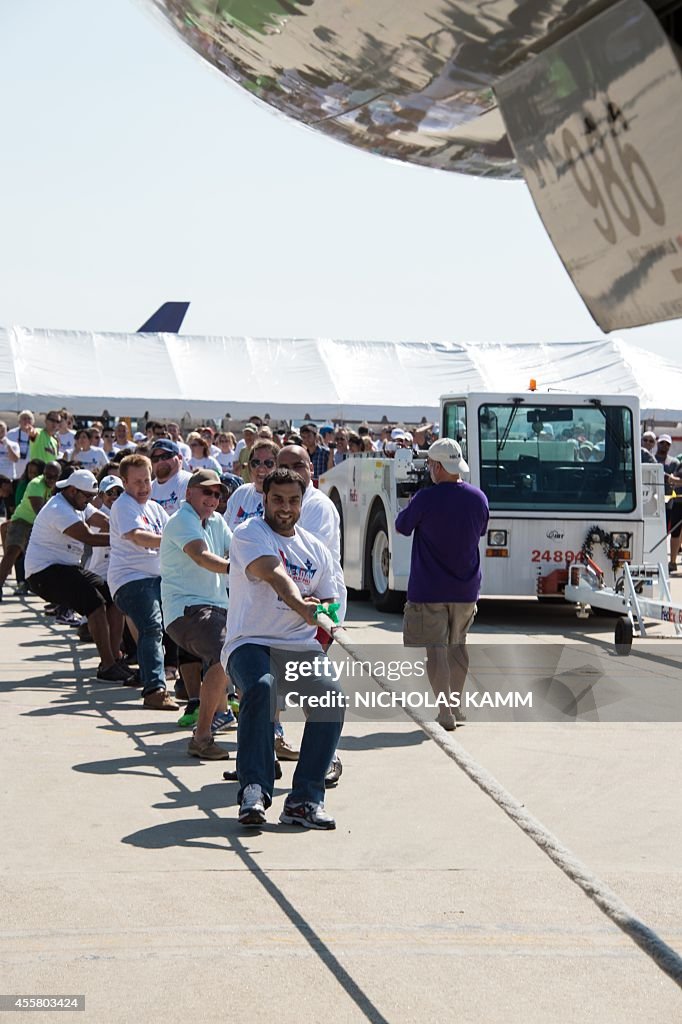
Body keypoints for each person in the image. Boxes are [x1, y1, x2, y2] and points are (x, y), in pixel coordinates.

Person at [222, 468, 344, 829]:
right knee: (260, 687)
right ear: (265, 500)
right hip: (250, 642)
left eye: (293, 500)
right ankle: (255, 790)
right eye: (277, 499)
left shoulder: (316, 550)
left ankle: (305, 800)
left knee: (331, 697)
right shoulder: (250, 533)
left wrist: (322, 611)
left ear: (302, 502)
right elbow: (273, 574)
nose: (285, 508)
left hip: (299, 647)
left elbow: (329, 601)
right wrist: (300, 604)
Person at [396, 438, 489, 731]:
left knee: (435, 651)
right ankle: (458, 705)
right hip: (466, 588)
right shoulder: (479, 498)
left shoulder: (426, 498)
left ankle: (444, 710)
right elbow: (481, 530)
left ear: (436, 466)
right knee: (458, 647)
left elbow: (402, 526)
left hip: (429, 588)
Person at [277, 444, 346, 786]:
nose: (291, 471)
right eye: (282, 465)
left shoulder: (316, 506)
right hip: (280, 606)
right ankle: (268, 744)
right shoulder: (269, 503)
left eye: (298, 465)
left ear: (311, 470)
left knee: (310, 683)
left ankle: (327, 755)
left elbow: (299, 559)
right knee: (268, 681)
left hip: (318, 607)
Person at [24, 469, 129, 681]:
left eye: (93, 496)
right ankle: (107, 666)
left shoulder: (79, 500)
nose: (91, 501)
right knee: (95, 604)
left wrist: (124, 527)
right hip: (43, 572)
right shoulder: (58, 508)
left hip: (68, 567)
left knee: (114, 598)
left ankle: (115, 656)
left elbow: (102, 520)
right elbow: (89, 537)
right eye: (88, 497)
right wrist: (127, 538)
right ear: (72, 491)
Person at [160, 470, 232, 759]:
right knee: (225, 650)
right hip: (186, 610)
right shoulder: (181, 521)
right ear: (189, 493)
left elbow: (236, 546)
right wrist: (239, 567)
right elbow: (202, 557)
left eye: (217, 494)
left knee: (254, 650)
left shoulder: (217, 521)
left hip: (216, 608)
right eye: (207, 492)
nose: (213, 498)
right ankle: (202, 736)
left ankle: (232, 715)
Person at [108, 453, 178, 709]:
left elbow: (176, 530)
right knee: (151, 628)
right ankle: (155, 690)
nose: (143, 487)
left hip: (159, 579)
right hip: (132, 579)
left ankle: (183, 685)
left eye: (146, 480)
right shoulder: (124, 505)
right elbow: (138, 536)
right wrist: (176, 542)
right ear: (124, 482)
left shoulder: (156, 508)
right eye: (136, 482)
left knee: (184, 623)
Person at [0, 461, 61, 601]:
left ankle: (45, 591)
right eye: (47, 475)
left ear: (59, 476)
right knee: (12, 553)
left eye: (53, 476)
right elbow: (39, 511)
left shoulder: (59, 486)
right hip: (22, 521)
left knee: (44, 559)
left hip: (38, 524)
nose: (49, 479)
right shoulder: (36, 484)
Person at [223, 439, 279, 531]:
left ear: (278, 466)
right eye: (255, 463)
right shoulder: (240, 493)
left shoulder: (282, 500)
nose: (261, 468)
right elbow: (224, 531)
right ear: (249, 466)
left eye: (268, 463)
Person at [655, 434, 682, 572]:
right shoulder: (650, 459)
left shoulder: (675, 462)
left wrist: (671, 480)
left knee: (669, 532)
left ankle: (669, 561)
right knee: (659, 533)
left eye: (667, 443)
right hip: (652, 503)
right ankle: (660, 559)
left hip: (670, 503)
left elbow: (677, 481)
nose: (664, 445)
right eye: (662, 443)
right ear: (657, 443)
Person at [149, 439, 191, 514]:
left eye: (165, 456)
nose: (160, 461)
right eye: (155, 459)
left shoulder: (189, 482)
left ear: (179, 458)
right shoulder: (147, 488)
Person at [8, 410, 35, 477]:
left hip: (31, 470)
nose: (27, 421)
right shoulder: (11, 434)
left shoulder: (37, 434)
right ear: (19, 421)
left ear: (33, 421)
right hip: (14, 471)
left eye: (29, 419)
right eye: (24, 418)